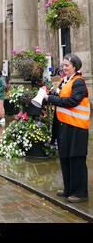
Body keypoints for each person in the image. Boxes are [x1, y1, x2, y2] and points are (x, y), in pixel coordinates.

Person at [44, 54, 90, 203]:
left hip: (77, 127)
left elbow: (72, 101)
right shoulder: (63, 81)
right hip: (64, 126)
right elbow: (57, 96)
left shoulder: (79, 83)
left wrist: (51, 99)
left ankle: (80, 193)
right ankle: (69, 189)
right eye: (63, 65)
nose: (63, 68)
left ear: (75, 67)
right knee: (65, 158)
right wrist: (46, 95)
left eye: (67, 65)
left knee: (76, 159)